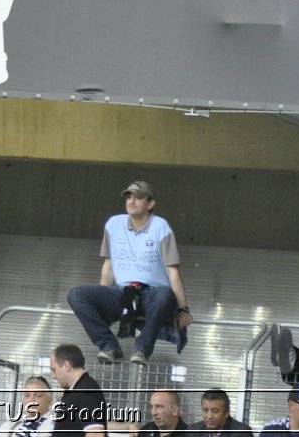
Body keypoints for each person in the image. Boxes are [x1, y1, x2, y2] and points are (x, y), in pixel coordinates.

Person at [66, 180, 191, 364]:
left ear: (150, 203)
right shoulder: (113, 224)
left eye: (138, 197)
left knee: (165, 292)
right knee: (76, 295)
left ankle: (142, 350)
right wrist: (103, 296)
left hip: (152, 296)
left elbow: (173, 272)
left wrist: (183, 309)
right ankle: (109, 346)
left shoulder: (160, 226)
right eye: (129, 196)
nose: (131, 201)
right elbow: (108, 265)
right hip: (123, 293)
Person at [48, 345, 106, 437]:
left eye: (54, 370)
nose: (54, 376)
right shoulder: (77, 391)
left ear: (66, 366)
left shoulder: (85, 392)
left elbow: (95, 433)